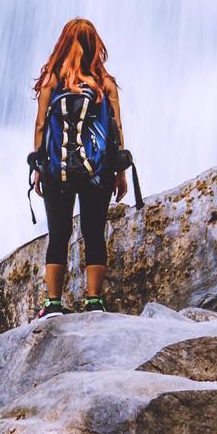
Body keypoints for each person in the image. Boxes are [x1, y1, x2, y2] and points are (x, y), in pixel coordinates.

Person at [28, 17, 128, 314]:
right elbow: (116, 128)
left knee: (58, 234)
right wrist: (120, 171)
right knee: (94, 232)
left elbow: (41, 126)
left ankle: (53, 304)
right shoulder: (105, 84)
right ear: (95, 46)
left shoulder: (51, 82)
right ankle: (95, 300)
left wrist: (38, 168)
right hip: (98, 172)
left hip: (55, 169)